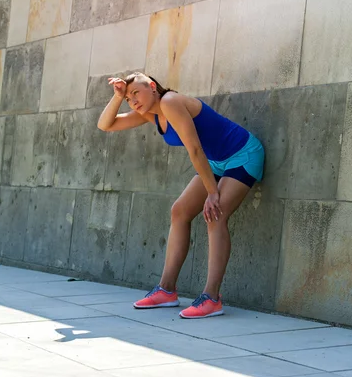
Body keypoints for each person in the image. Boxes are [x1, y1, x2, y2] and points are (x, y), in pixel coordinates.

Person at [97, 72, 265, 319]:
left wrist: (212, 193)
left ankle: (212, 298)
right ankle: (166, 290)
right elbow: (105, 125)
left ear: (152, 87)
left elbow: (194, 149)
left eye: (136, 93)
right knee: (179, 211)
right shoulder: (150, 114)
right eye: (128, 98)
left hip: (242, 155)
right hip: (216, 163)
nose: (133, 101)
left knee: (215, 215)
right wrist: (117, 96)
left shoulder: (170, 102)